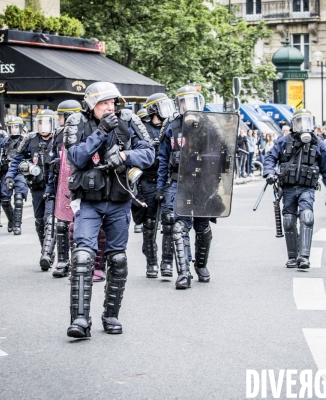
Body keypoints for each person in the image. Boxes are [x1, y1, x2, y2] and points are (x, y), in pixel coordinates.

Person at [64, 81, 154, 338]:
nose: (110, 108)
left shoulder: (128, 119)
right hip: (89, 201)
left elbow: (149, 153)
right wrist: (101, 132)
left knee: (117, 258)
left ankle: (111, 315)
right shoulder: (76, 122)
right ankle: (80, 320)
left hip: (118, 199)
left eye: (112, 102)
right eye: (104, 103)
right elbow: (76, 157)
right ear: (91, 105)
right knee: (82, 256)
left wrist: (126, 157)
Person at [157, 84, 214, 289]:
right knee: (179, 226)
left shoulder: (209, 125)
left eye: (192, 101)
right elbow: (163, 159)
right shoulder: (171, 127)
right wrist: (161, 187)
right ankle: (183, 273)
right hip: (178, 182)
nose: (189, 106)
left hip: (202, 184)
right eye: (184, 102)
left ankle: (200, 265)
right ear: (178, 105)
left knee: (202, 228)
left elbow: (222, 155)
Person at [263, 109, 326, 269]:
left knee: (307, 217)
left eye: (306, 122)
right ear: (294, 124)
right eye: (299, 122)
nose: (303, 126)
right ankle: (292, 256)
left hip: (307, 188)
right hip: (287, 188)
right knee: (288, 221)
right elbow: (270, 157)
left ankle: (304, 257)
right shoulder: (284, 141)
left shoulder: (319, 144)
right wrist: (268, 172)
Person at [4, 109, 56, 271]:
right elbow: (16, 159)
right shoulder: (30, 139)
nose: (43, 126)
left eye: (46, 122)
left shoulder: (58, 139)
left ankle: (47, 254)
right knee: (39, 220)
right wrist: (10, 176)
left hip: (54, 187)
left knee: (50, 220)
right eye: (40, 123)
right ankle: (45, 250)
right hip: (37, 186)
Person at [134, 92, 174, 278]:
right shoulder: (142, 130)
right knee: (149, 224)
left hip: (167, 182)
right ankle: (151, 263)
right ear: (154, 110)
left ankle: (167, 262)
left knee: (169, 223)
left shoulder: (172, 127)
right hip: (148, 182)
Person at [43, 100, 83, 278]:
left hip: (79, 182)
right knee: (60, 223)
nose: (58, 119)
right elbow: (50, 164)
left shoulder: (83, 131)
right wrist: (50, 189)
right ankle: (62, 261)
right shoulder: (58, 135)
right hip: (61, 183)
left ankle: (77, 261)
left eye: (60, 115)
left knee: (77, 224)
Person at [0, 117, 28, 235]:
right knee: (4, 200)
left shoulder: (25, 141)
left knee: (19, 199)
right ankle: (11, 220)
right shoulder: (4, 141)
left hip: (20, 173)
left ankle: (17, 225)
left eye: (16, 127)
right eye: (12, 127)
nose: (14, 130)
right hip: (7, 173)